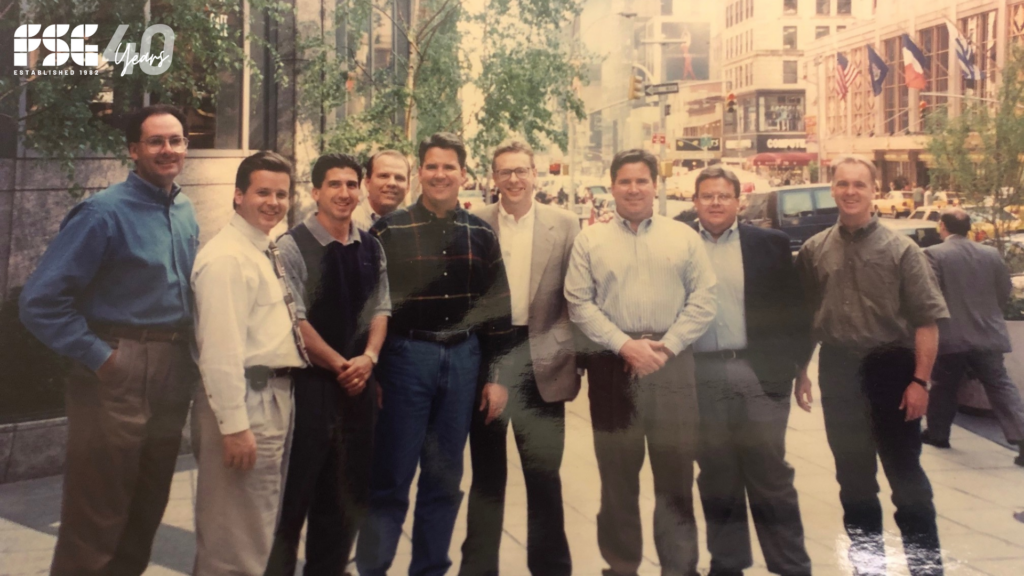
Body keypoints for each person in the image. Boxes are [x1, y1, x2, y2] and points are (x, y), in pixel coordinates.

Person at [19, 105, 198, 576]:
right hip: (117, 370)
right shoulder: (102, 213)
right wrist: (101, 357)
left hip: (173, 368)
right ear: (133, 150)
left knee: (147, 505)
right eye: (156, 141)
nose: (168, 149)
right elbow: (39, 301)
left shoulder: (184, 210)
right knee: (96, 514)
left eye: (176, 140)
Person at [356, 132, 516, 576]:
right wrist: (374, 373)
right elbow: (367, 309)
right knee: (390, 479)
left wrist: (496, 376)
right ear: (420, 173)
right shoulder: (388, 231)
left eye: (449, 167)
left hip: (463, 360)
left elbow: (498, 311)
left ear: (464, 174)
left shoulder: (481, 233)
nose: (440, 174)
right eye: (432, 166)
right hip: (405, 360)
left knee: (444, 481)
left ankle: (429, 570)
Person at [564, 148, 716, 576]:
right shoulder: (590, 240)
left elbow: (704, 300)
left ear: (655, 185)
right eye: (625, 181)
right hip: (613, 368)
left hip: (673, 366)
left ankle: (680, 568)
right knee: (616, 478)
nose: (634, 189)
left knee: (676, 476)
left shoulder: (683, 237)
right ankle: (621, 566)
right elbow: (579, 304)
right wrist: (625, 346)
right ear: (612, 187)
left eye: (642, 181)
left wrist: (665, 348)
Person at [795, 155, 949, 576]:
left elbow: (927, 322)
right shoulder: (814, 250)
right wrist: (801, 370)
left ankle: (926, 569)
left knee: (906, 479)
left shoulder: (903, 251)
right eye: (843, 184)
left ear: (873, 191)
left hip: (892, 370)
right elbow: (806, 317)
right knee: (854, 482)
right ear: (833, 189)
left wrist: (920, 381)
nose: (850, 192)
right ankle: (869, 568)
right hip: (839, 371)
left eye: (859, 184)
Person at [265, 154, 391, 576]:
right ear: (315, 191)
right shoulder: (290, 246)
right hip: (310, 388)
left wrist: (368, 359)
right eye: (334, 184)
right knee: (293, 500)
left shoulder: (370, 245)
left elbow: (381, 307)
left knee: (346, 499)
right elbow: (294, 320)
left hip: (358, 388)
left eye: (351, 184)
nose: (344, 192)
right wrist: (342, 365)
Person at [460, 140, 580, 576]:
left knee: (544, 476)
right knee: (487, 477)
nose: (513, 179)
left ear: (535, 175)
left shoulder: (565, 224)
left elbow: (576, 297)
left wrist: (568, 354)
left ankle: (550, 568)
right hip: (488, 357)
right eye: (505, 171)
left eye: (521, 171)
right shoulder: (474, 223)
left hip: (543, 359)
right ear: (493, 177)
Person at [689, 166, 813, 576]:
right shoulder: (680, 243)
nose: (716, 202)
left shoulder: (770, 243)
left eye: (724, 195)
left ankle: (791, 566)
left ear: (738, 202)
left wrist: (799, 367)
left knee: (770, 474)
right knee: (716, 473)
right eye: (707, 195)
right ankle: (727, 564)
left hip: (759, 373)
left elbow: (796, 310)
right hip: (702, 374)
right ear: (695, 202)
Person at [190, 151, 306, 576]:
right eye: (262, 192)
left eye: (281, 194)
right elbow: (220, 352)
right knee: (235, 544)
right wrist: (235, 427)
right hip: (247, 402)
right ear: (238, 195)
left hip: (270, 398)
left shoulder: (258, 248)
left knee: (253, 529)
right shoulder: (227, 258)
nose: (273, 202)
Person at [921, 208, 1024, 465]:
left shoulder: (934, 254)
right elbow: (1004, 289)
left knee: (944, 385)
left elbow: (931, 295)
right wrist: (989, 314)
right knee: (1000, 386)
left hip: (951, 335)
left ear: (942, 226)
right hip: (988, 333)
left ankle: (938, 434)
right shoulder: (991, 254)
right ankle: (1022, 438)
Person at [352, 149, 411, 231]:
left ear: (408, 187)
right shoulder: (349, 222)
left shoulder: (411, 226)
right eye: (384, 176)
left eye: (399, 178)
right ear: (367, 182)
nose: (392, 183)